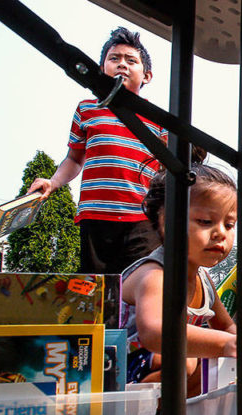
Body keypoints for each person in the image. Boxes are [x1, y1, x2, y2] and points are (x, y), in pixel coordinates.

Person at [121, 162, 238, 415]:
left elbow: (227, 326)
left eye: (230, 224)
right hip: (119, 378)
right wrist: (226, 344)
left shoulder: (204, 281)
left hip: (159, 380)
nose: (220, 234)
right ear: (166, 221)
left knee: (211, 362)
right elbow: (155, 332)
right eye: (205, 221)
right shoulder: (154, 274)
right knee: (186, 359)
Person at [28, 27, 167, 275]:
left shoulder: (157, 118)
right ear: (102, 68)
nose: (122, 64)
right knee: (97, 293)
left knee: (142, 286)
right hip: (96, 217)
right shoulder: (87, 109)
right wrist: (53, 182)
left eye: (131, 60)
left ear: (146, 76)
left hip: (142, 220)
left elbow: (168, 169)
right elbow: (74, 158)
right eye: (114, 59)